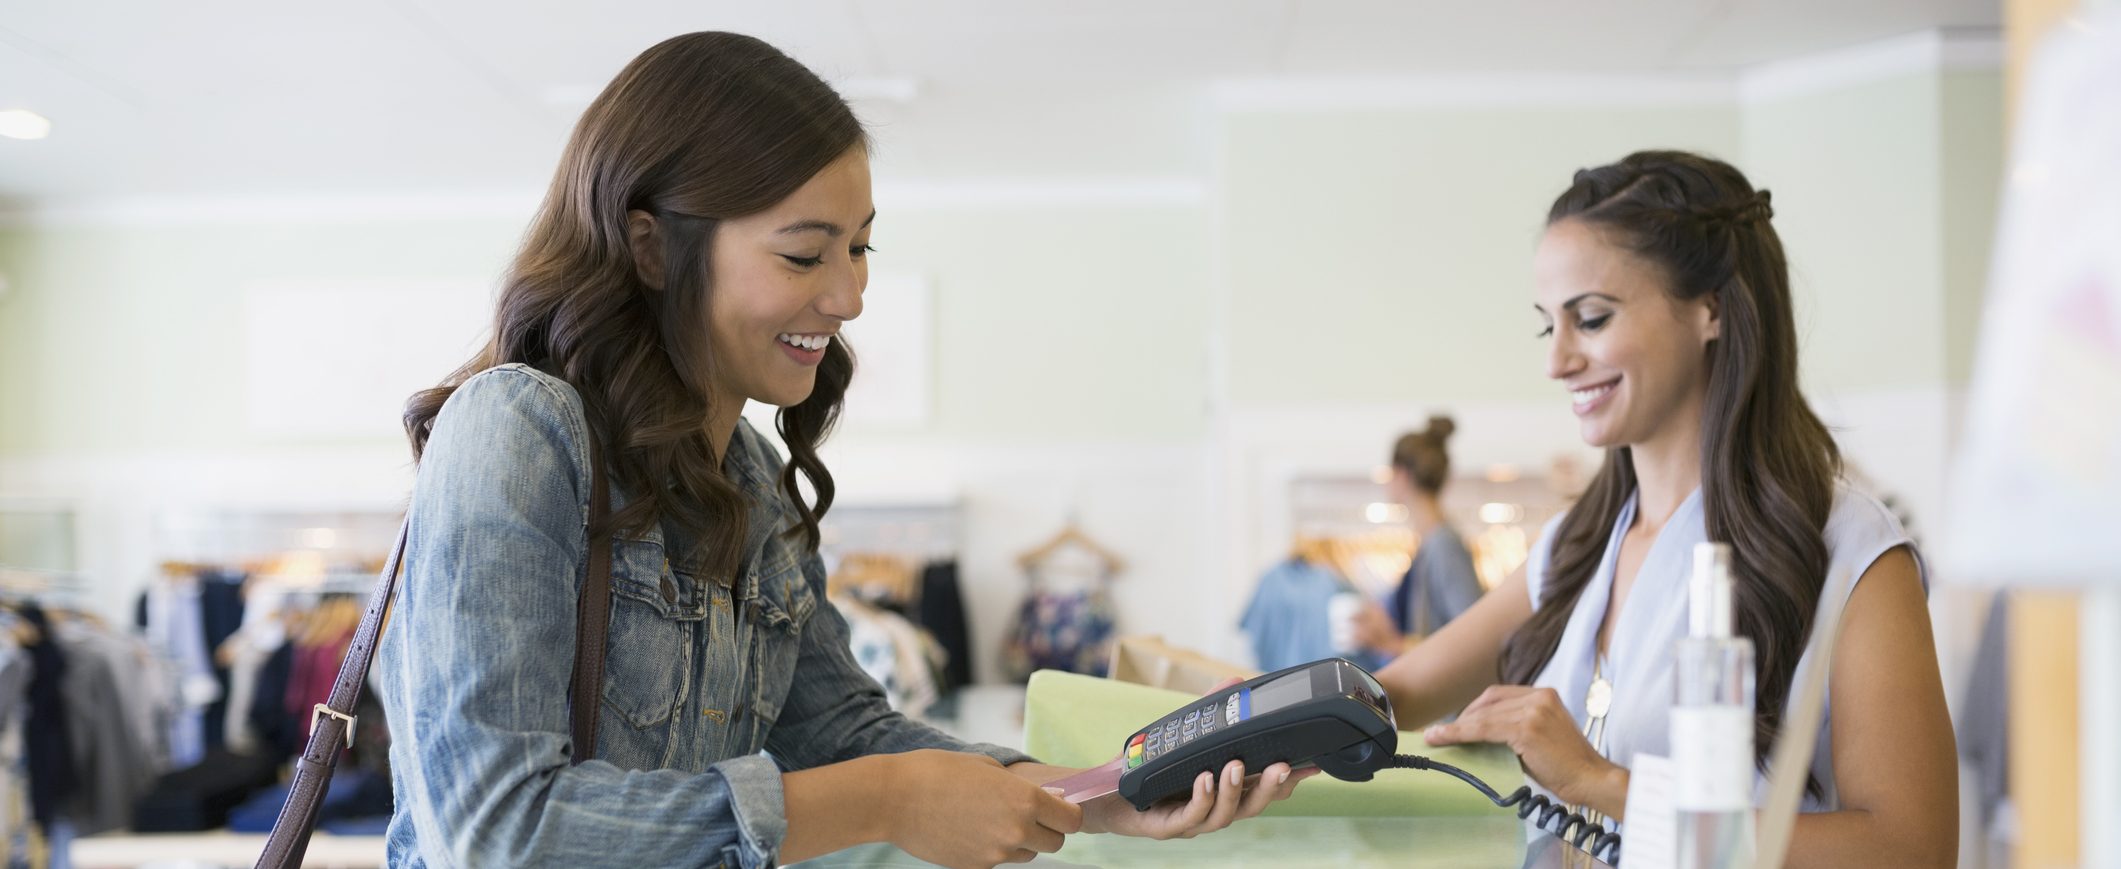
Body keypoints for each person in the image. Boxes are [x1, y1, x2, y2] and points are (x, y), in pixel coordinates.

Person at [374, 32, 1309, 869]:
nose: (849, 296)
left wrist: (1101, 797)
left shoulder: (752, 482)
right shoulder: (520, 431)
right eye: (804, 254)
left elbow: (842, 730)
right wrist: (890, 801)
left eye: (860, 248)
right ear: (653, 249)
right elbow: (495, 831)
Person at [1370, 151, 1957, 865]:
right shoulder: (1577, 545)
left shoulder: (1851, 549)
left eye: (1589, 319)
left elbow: (1911, 846)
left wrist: (1606, 784)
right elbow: (1398, 692)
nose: (1556, 361)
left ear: (1709, 309)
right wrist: (1253, 728)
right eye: (1546, 326)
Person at [1350, 415, 1486, 656]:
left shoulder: (1444, 545)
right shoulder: (1430, 544)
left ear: (1402, 475)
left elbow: (1473, 639)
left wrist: (1390, 645)